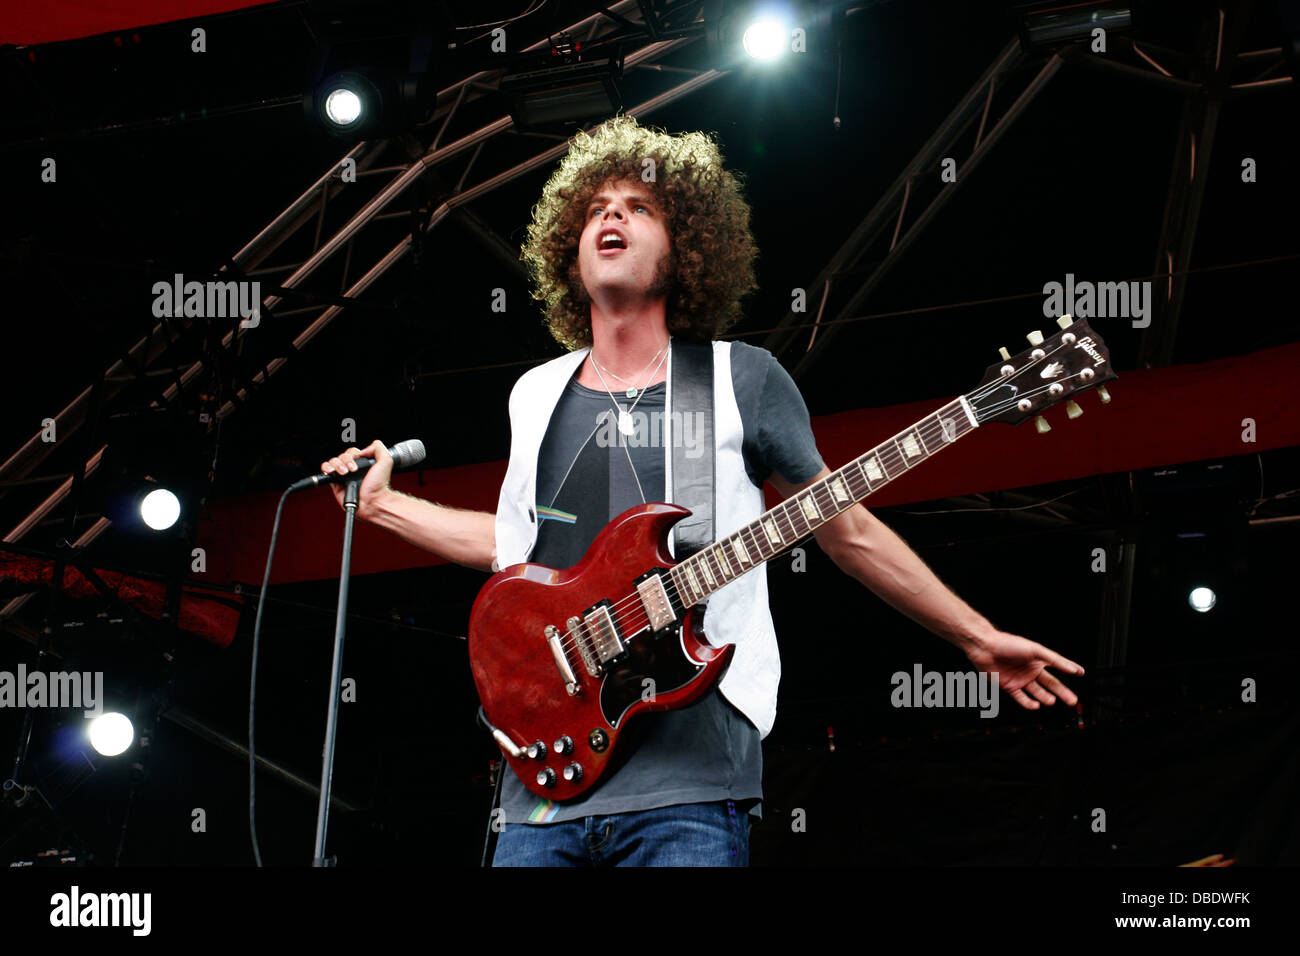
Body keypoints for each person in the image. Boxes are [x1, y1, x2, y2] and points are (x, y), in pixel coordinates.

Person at [320, 115, 1084, 867]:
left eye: (639, 208)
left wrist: (975, 637)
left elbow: (845, 530)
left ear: (683, 249)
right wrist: (381, 505)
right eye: (596, 210)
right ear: (569, 249)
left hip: (688, 779)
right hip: (544, 791)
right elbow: (512, 550)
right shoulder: (535, 393)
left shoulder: (737, 377)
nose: (612, 216)